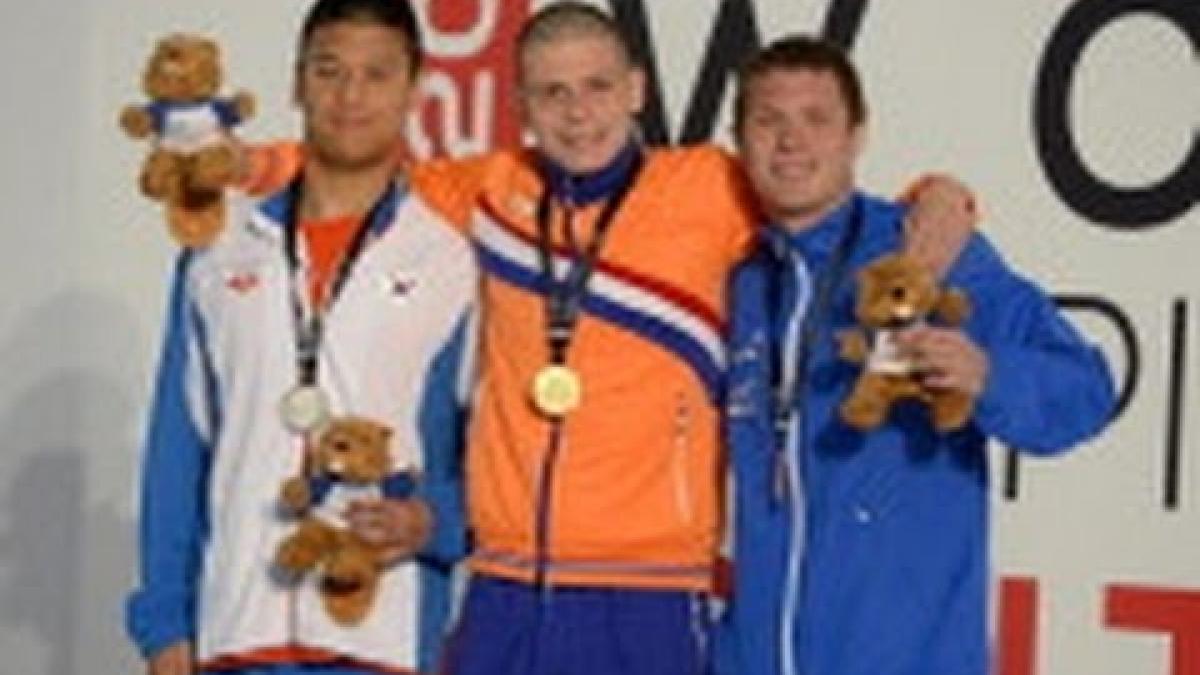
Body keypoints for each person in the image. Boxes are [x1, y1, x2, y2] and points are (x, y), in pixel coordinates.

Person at [233, 4, 975, 673]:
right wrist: (242, 164)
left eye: (596, 86)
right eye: (552, 92)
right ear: (522, 105)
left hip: (651, 593)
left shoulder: (710, 186)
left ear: (637, 91)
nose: (577, 112)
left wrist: (938, 195)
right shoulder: (494, 187)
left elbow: (817, 188)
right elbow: (357, 168)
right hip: (505, 587)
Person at [718, 35, 1115, 675]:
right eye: (768, 121)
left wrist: (990, 375)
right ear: (739, 140)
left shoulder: (927, 249)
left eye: (816, 119)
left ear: (856, 136)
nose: (790, 142)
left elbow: (1088, 389)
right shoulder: (738, 276)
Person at [125, 1, 475, 673]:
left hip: (384, 636)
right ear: (295, 81)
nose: (350, 96)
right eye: (329, 70)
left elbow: (491, 452)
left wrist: (438, 521)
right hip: (235, 633)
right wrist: (165, 625)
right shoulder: (218, 252)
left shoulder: (450, 258)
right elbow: (179, 449)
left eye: (377, 74)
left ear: (414, 88)